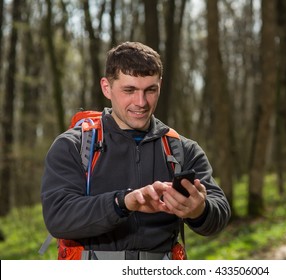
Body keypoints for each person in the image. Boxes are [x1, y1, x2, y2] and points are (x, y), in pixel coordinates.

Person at [41, 41, 231, 260]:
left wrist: (199, 210)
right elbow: (58, 217)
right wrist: (123, 203)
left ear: (160, 85)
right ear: (106, 87)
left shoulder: (182, 148)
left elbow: (219, 214)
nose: (141, 102)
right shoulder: (74, 145)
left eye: (150, 90)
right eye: (129, 90)